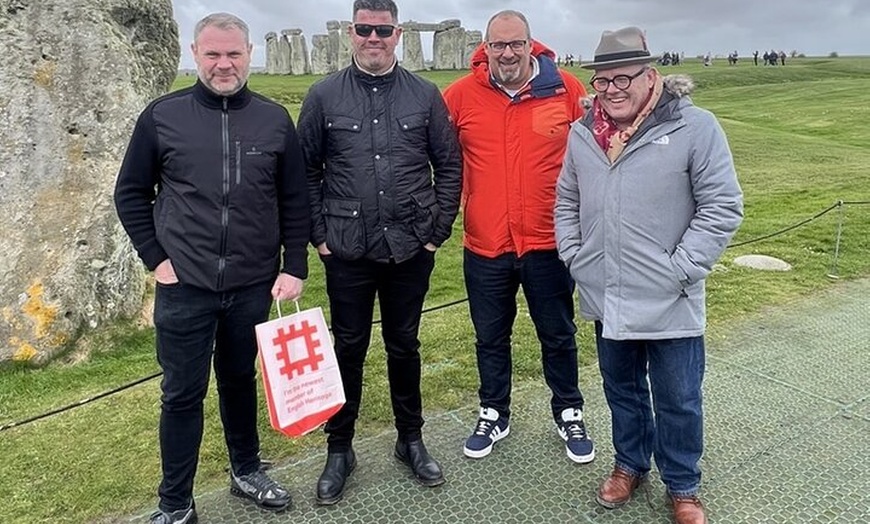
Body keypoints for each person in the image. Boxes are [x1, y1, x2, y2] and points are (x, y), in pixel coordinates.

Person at [114, 12, 310, 524]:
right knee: (181, 393)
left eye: (234, 54)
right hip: (186, 284)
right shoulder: (162, 116)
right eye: (213, 54)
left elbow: (294, 199)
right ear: (195, 55)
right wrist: (156, 260)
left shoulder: (273, 119)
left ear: (249, 54)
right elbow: (131, 193)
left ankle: (247, 470)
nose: (224, 64)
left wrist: (294, 265)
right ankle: (176, 502)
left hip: (252, 281)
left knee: (240, 380)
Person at [554, 26, 743, 524]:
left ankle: (682, 485)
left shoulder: (694, 127)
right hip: (606, 290)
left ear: (650, 75)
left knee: (679, 397)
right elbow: (566, 202)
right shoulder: (582, 134)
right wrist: (576, 256)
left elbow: (722, 206)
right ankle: (629, 464)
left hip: (670, 296)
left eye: (624, 78)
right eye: (602, 81)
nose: (612, 89)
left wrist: (681, 268)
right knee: (622, 390)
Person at [297, 0, 462, 506]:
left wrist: (436, 233)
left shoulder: (425, 95)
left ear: (398, 33)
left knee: (404, 345)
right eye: (364, 29)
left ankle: (409, 438)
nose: (374, 37)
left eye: (383, 29)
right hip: (347, 248)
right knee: (347, 347)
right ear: (351, 32)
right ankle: (340, 448)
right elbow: (306, 173)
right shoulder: (323, 96)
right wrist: (320, 238)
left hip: (410, 244)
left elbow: (449, 165)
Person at [442, 10, 595, 465]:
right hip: (486, 242)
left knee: (558, 332)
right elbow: (437, 159)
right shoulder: (461, 95)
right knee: (490, 336)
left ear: (532, 45)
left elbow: (594, 153)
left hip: (549, 240)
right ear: (485, 48)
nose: (506, 53)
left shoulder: (565, 89)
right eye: (497, 45)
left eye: (515, 44)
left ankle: (568, 409)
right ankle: (494, 410)